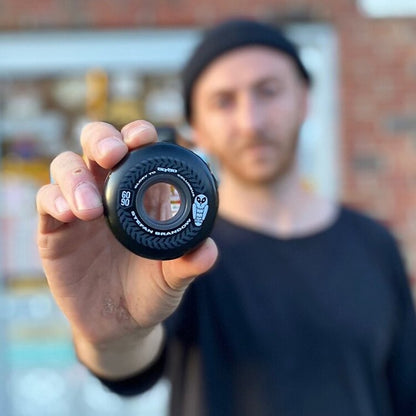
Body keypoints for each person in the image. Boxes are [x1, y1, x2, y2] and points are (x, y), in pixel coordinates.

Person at [36, 19, 416, 416]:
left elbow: (405, 390)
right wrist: (112, 332)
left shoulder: (374, 244)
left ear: (305, 101)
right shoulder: (174, 251)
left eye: (268, 91)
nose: (251, 122)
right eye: (223, 101)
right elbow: (129, 366)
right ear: (197, 128)